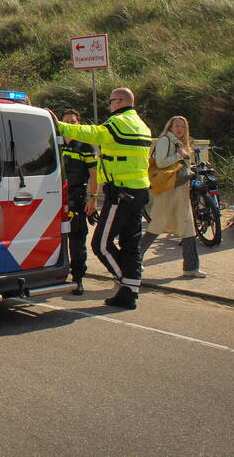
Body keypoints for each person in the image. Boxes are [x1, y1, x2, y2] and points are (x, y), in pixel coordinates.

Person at [52, 87, 152, 309]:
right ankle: (130, 292)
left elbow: (92, 133)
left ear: (118, 101)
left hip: (121, 193)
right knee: (130, 243)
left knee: (101, 244)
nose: (109, 105)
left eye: (110, 101)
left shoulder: (117, 123)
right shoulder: (142, 125)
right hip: (140, 192)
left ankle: (125, 283)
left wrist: (58, 125)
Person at [140, 115, 206, 277]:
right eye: (176, 126)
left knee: (188, 227)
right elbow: (161, 163)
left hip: (180, 192)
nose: (179, 129)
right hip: (168, 191)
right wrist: (179, 155)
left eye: (182, 126)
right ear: (170, 126)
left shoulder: (179, 142)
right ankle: (134, 259)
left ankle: (191, 267)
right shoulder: (165, 140)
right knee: (157, 225)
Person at [60, 109, 98, 295]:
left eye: (73, 122)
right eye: (65, 121)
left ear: (79, 124)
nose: (69, 124)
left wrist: (93, 198)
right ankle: (58, 273)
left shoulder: (85, 146)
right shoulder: (55, 142)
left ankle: (78, 278)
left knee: (77, 239)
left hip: (77, 197)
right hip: (55, 196)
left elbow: (93, 174)